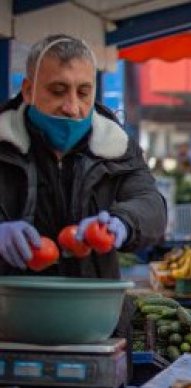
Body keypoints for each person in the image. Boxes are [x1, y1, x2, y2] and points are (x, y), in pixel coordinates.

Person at [0, 34, 166, 278]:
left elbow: (150, 204)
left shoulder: (117, 148)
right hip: (9, 307)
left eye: (83, 92)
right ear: (28, 90)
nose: (72, 107)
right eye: (58, 91)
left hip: (95, 305)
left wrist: (122, 222)